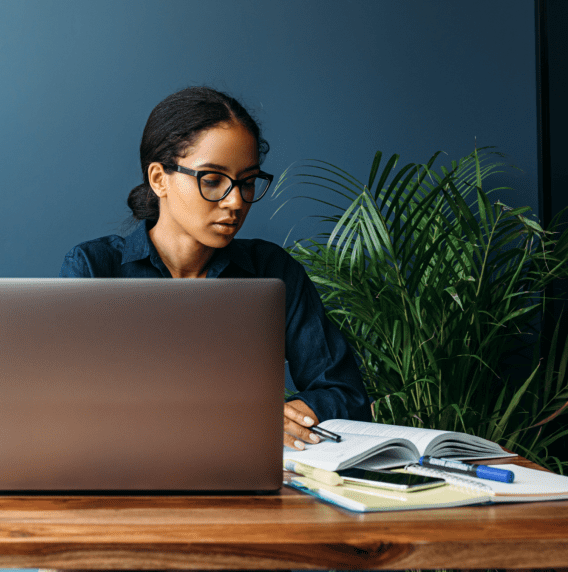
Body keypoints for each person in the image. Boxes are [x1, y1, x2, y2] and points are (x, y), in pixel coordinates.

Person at [60, 86, 371, 451]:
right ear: (159, 179)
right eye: (212, 180)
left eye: (248, 182)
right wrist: (234, 421)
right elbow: (70, 407)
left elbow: (345, 391)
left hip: (248, 472)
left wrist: (288, 417)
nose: (236, 201)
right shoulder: (95, 269)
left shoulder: (272, 270)